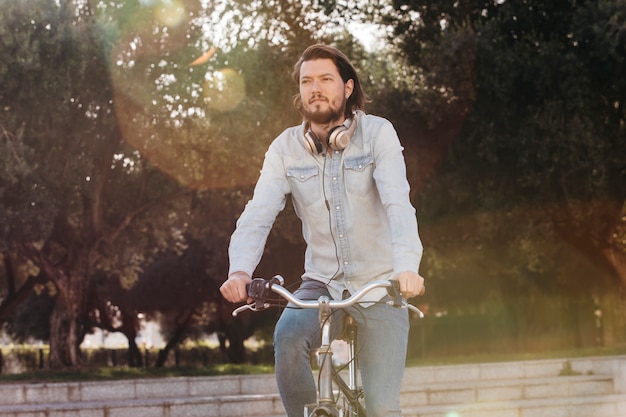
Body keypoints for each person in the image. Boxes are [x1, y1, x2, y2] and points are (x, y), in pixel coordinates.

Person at [220, 44, 425, 417]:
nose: (315, 88)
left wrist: (407, 267)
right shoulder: (285, 148)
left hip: (380, 285)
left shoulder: (378, 133)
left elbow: (399, 204)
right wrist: (239, 270)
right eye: (307, 81)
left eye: (325, 79)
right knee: (287, 336)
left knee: (382, 408)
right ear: (299, 92)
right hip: (320, 283)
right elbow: (258, 213)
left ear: (347, 88)